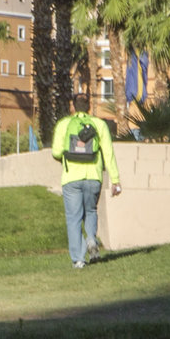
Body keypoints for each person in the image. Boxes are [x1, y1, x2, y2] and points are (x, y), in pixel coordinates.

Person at [49, 106, 121, 268]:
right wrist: (115, 179)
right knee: (91, 211)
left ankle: (79, 259)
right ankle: (91, 239)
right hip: (93, 177)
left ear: (73, 106)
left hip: (71, 178)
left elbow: (56, 152)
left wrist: (68, 155)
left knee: (73, 218)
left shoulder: (64, 124)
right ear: (88, 107)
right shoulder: (99, 124)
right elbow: (108, 153)